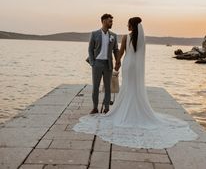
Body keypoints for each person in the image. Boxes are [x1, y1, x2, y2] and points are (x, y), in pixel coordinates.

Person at [73, 17, 198, 149]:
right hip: (136, 67)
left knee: (126, 87)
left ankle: (116, 109)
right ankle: (129, 108)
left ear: (131, 25)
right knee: (134, 87)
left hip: (127, 65)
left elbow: (120, 52)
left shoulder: (126, 37)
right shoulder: (142, 39)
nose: (126, 25)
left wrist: (117, 64)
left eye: (128, 23)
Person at [87, 14, 119, 114]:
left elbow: (116, 49)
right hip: (97, 64)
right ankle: (95, 107)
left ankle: (106, 108)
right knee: (95, 87)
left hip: (108, 64)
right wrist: (92, 63)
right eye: (110, 21)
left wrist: (118, 61)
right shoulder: (94, 34)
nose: (112, 23)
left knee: (108, 87)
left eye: (112, 21)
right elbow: (90, 49)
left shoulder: (113, 35)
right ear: (104, 21)